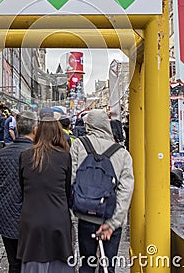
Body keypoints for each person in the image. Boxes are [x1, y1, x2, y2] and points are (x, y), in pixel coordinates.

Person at [70, 109, 134, 273]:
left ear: (88, 125)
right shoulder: (122, 153)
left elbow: (72, 178)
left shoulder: (79, 144)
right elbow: (125, 190)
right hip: (111, 216)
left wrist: (73, 211)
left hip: (86, 214)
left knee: (86, 263)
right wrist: (114, 223)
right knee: (108, 266)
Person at [17, 116, 74, 273]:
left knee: (33, 264)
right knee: (60, 263)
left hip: (31, 218)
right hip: (58, 218)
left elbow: (22, 188)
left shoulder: (26, 156)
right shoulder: (64, 157)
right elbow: (67, 190)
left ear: (38, 132)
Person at [0, 111, 38, 273]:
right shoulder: (37, 154)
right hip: (31, 221)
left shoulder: (1, 155)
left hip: (6, 219)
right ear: (34, 129)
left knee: (14, 265)